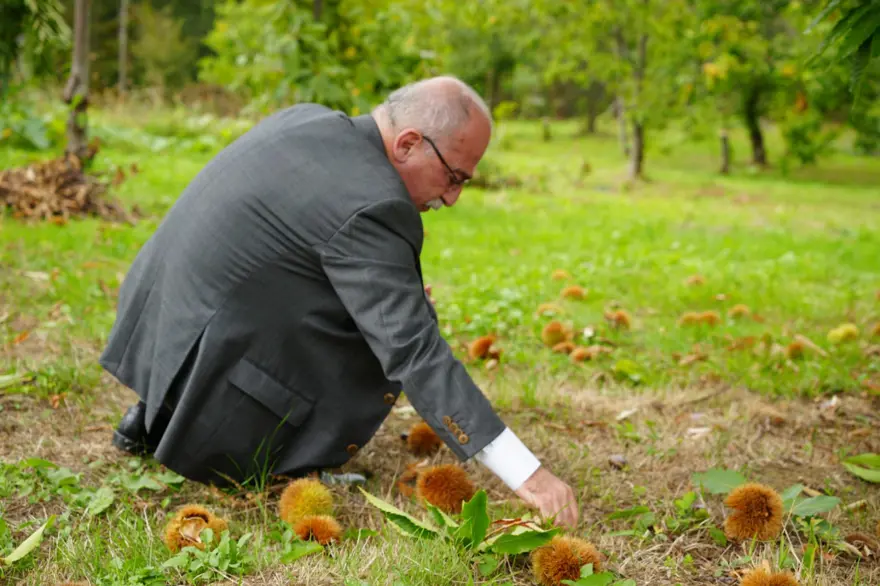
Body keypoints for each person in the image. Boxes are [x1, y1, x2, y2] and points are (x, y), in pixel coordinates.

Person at [100, 75, 579, 529]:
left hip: (159, 321)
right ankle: (260, 446)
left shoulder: (308, 119)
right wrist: (527, 474)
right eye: (453, 176)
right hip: (214, 363)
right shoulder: (374, 204)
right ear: (408, 143)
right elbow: (414, 350)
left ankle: (156, 411)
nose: (452, 198)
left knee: (373, 310)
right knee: (386, 334)